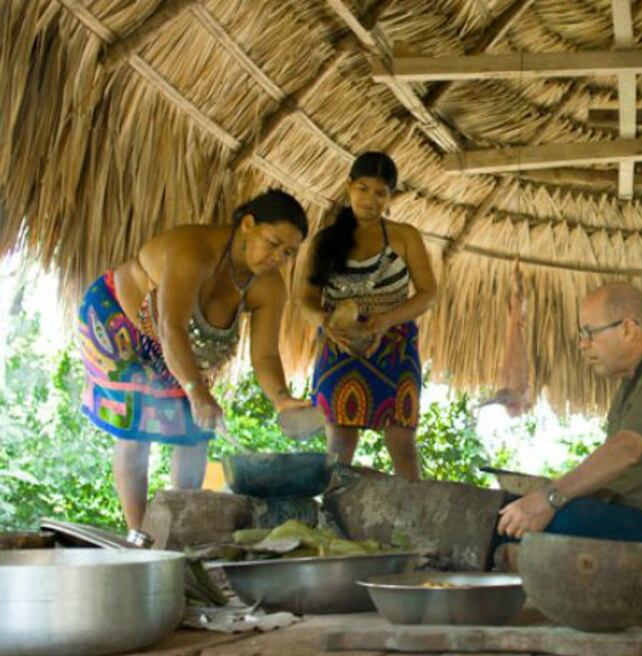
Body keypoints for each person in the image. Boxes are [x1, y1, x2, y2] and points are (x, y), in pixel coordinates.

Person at [77, 189, 313, 530]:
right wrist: (196, 390)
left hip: (175, 344)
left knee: (196, 432)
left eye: (289, 252)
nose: (278, 256)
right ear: (247, 225)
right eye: (273, 243)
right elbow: (172, 327)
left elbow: (264, 354)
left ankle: (177, 529)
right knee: (136, 426)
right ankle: (138, 534)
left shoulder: (269, 286)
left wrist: (282, 399)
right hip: (118, 322)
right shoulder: (194, 251)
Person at [495, 283, 642, 580]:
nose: (582, 344)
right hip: (638, 520)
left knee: (558, 520)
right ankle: (517, 554)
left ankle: (520, 557)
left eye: (589, 333)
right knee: (511, 512)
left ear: (627, 329)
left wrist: (550, 497)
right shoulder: (638, 378)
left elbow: (627, 449)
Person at [298, 152, 437, 480]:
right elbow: (304, 300)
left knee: (402, 440)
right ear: (348, 187)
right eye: (363, 188)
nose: (370, 199)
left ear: (390, 197)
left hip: (394, 347)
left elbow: (428, 293)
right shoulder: (325, 241)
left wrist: (385, 322)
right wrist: (327, 324)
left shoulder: (405, 236)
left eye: (380, 192)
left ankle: (413, 518)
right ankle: (332, 515)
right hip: (338, 343)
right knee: (339, 442)